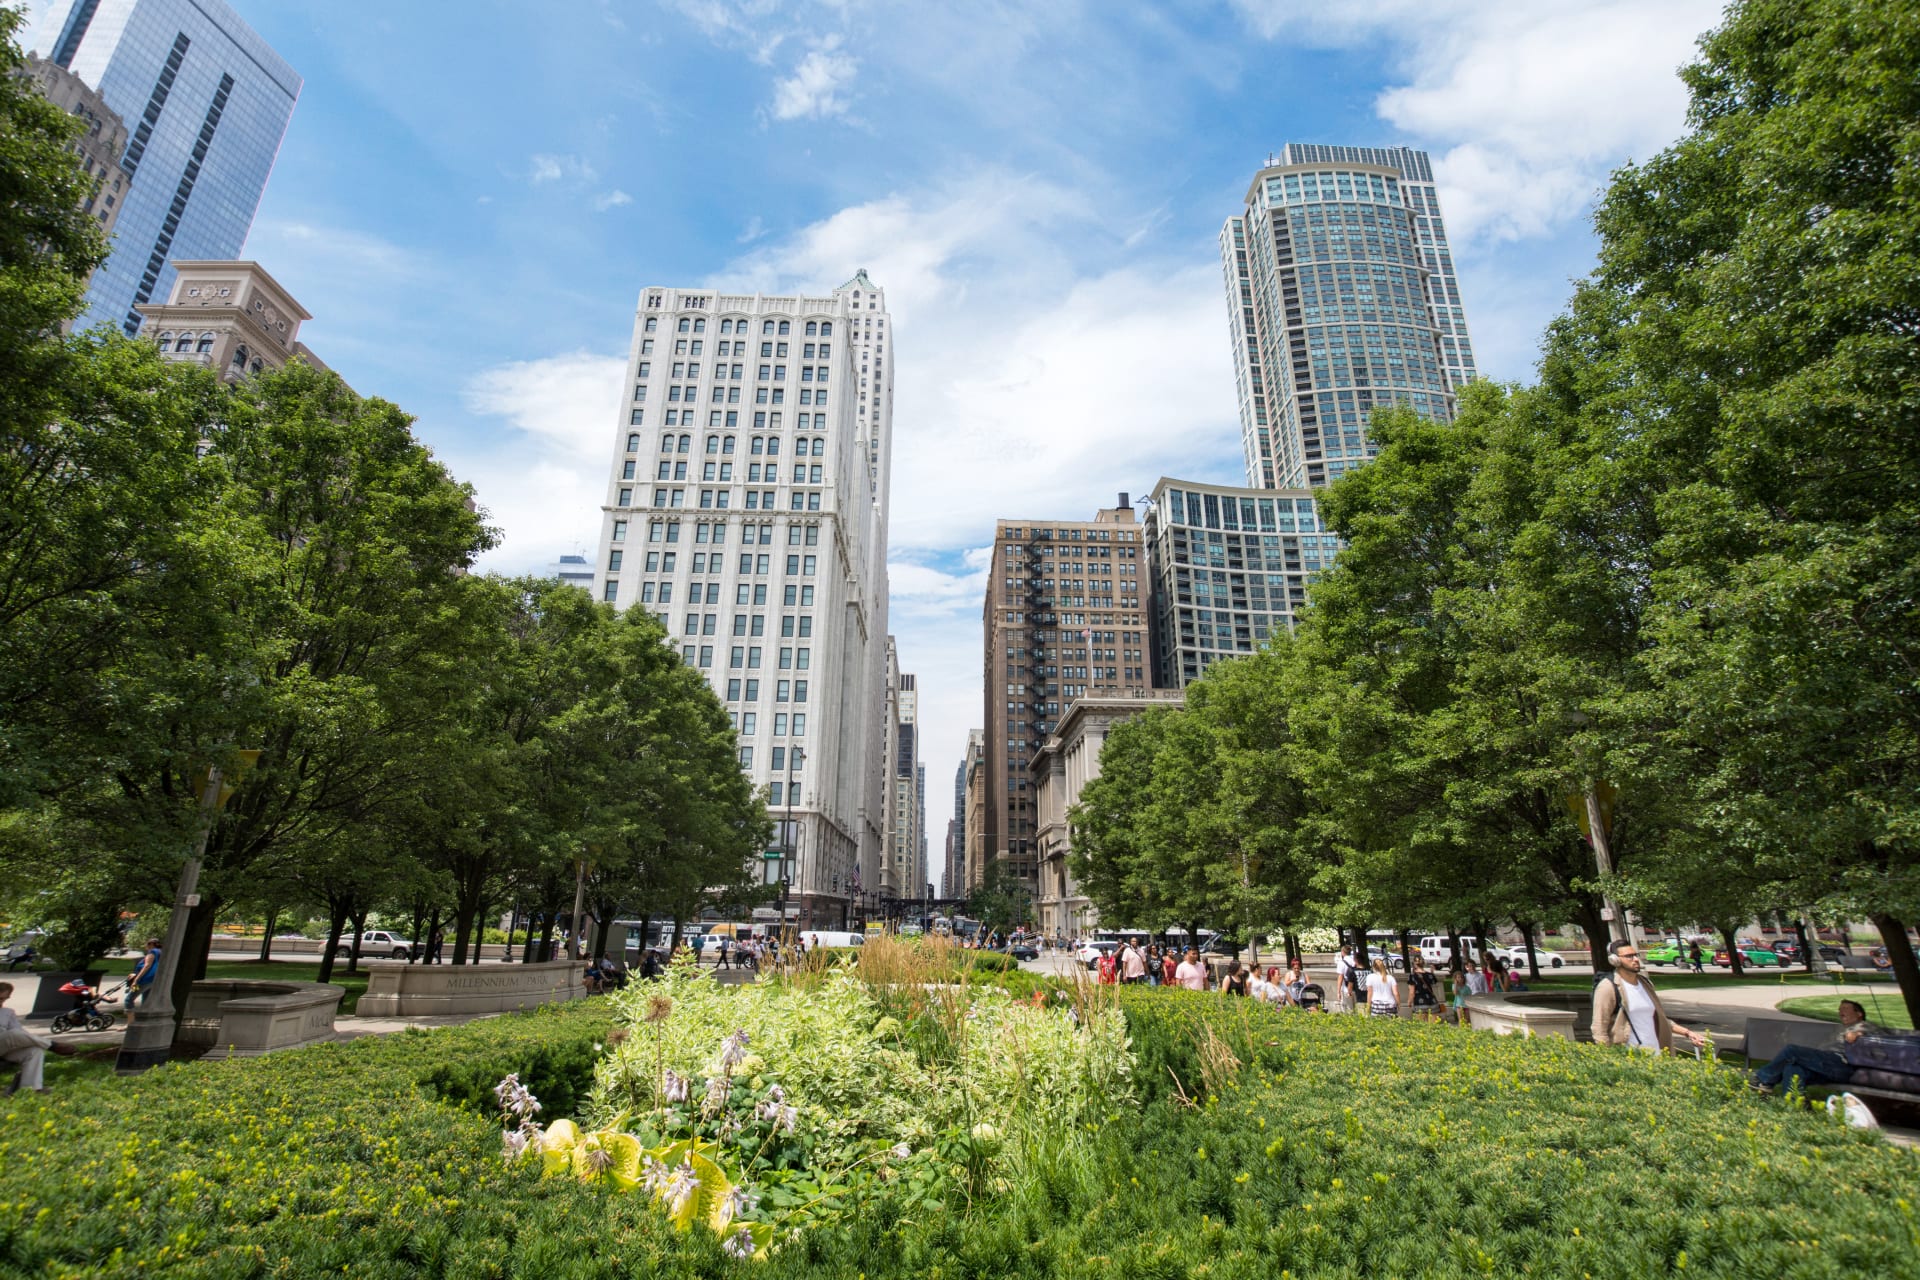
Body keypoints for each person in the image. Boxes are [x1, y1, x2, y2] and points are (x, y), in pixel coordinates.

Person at [1592, 939, 1708, 1055]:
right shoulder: (1608, 987)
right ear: (1615, 960)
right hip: (1629, 1058)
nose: (1636, 959)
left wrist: (1688, 1033)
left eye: (1635, 955)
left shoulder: (1645, 984)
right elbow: (1599, 1027)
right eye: (1629, 956)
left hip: (1656, 1055)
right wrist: (1609, 1058)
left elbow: (1659, 1019)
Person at [1750, 1000, 1879, 1095]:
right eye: (1840, 1009)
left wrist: (1857, 1034)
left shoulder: (1865, 1025)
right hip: (1825, 1066)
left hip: (1842, 1065)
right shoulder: (1840, 1028)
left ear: (1859, 1014)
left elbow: (1869, 1035)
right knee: (1793, 1068)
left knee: (1791, 1051)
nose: (1841, 1011)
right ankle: (1794, 1105)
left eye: (1845, 1008)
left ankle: (1763, 1079)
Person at [0, 983, 72, 1094]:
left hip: (3, 1047)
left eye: (4, 999)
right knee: (13, 1034)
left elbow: (20, 1034)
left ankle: (30, 1089)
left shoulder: (7, 1013)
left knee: (35, 1051)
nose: (1, 1002)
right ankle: (53, 1045)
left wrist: (31, 1041)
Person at [126, 937, 161, 1025]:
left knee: (129, 998)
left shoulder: (152, 952)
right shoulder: (161, 952)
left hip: (143, 980)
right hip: (152, 980)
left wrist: (136, 980)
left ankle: (130, 1022)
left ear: (151, 944)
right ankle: (145, 1021)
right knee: (145, 1000)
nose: (146, 946)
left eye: (147, 944)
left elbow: (147, 966)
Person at [1408, 956, 1440, 1022]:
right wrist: (1432, 972)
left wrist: (1409, 1001)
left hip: (1419, 1002)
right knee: (1433, 1026)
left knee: (1421, 1026)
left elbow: (1412, 992)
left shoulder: (1413, 976)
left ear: (1414, 964)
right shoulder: (1429, 975)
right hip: (1432, 1002)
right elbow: (1433, 982)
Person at [1333, 945, 1356, 1013]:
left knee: (1347, 1009)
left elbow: (1340, 977)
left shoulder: (1341, 963)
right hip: (1355, 987)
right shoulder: (1354, 961)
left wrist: (1338, 991)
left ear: (1342, 952)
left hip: (1345, 988)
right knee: (1355, 1007)